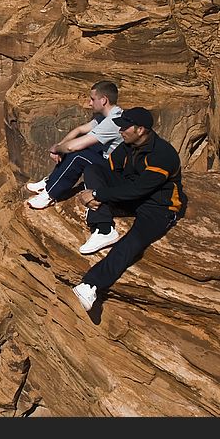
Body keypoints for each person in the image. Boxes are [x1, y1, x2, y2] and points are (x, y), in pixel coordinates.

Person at [72, 107, 187, 312]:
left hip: (159, 206)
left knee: (133, 242)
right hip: (134, 195)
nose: (120, 131)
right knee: (93, 169)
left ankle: (91, 284)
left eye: (125, 127)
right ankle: (105, 229)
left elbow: (138, 190)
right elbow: (107, 171)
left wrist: (97, 195)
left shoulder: (163, 155)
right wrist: (96, 193)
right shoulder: (129, 145)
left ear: (141, 129)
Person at [26, 81, 123, 209]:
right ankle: (50, 181)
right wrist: (60, 145)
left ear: (104, 100)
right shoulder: (106, 116)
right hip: (107, 161)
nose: (89, 103)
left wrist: (56, 149)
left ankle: (50, 194)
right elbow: (79, 130)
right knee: (73, 146)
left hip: (115, 172)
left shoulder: (112, 121)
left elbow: (73, 147)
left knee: (78, 155)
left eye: (92, 99)